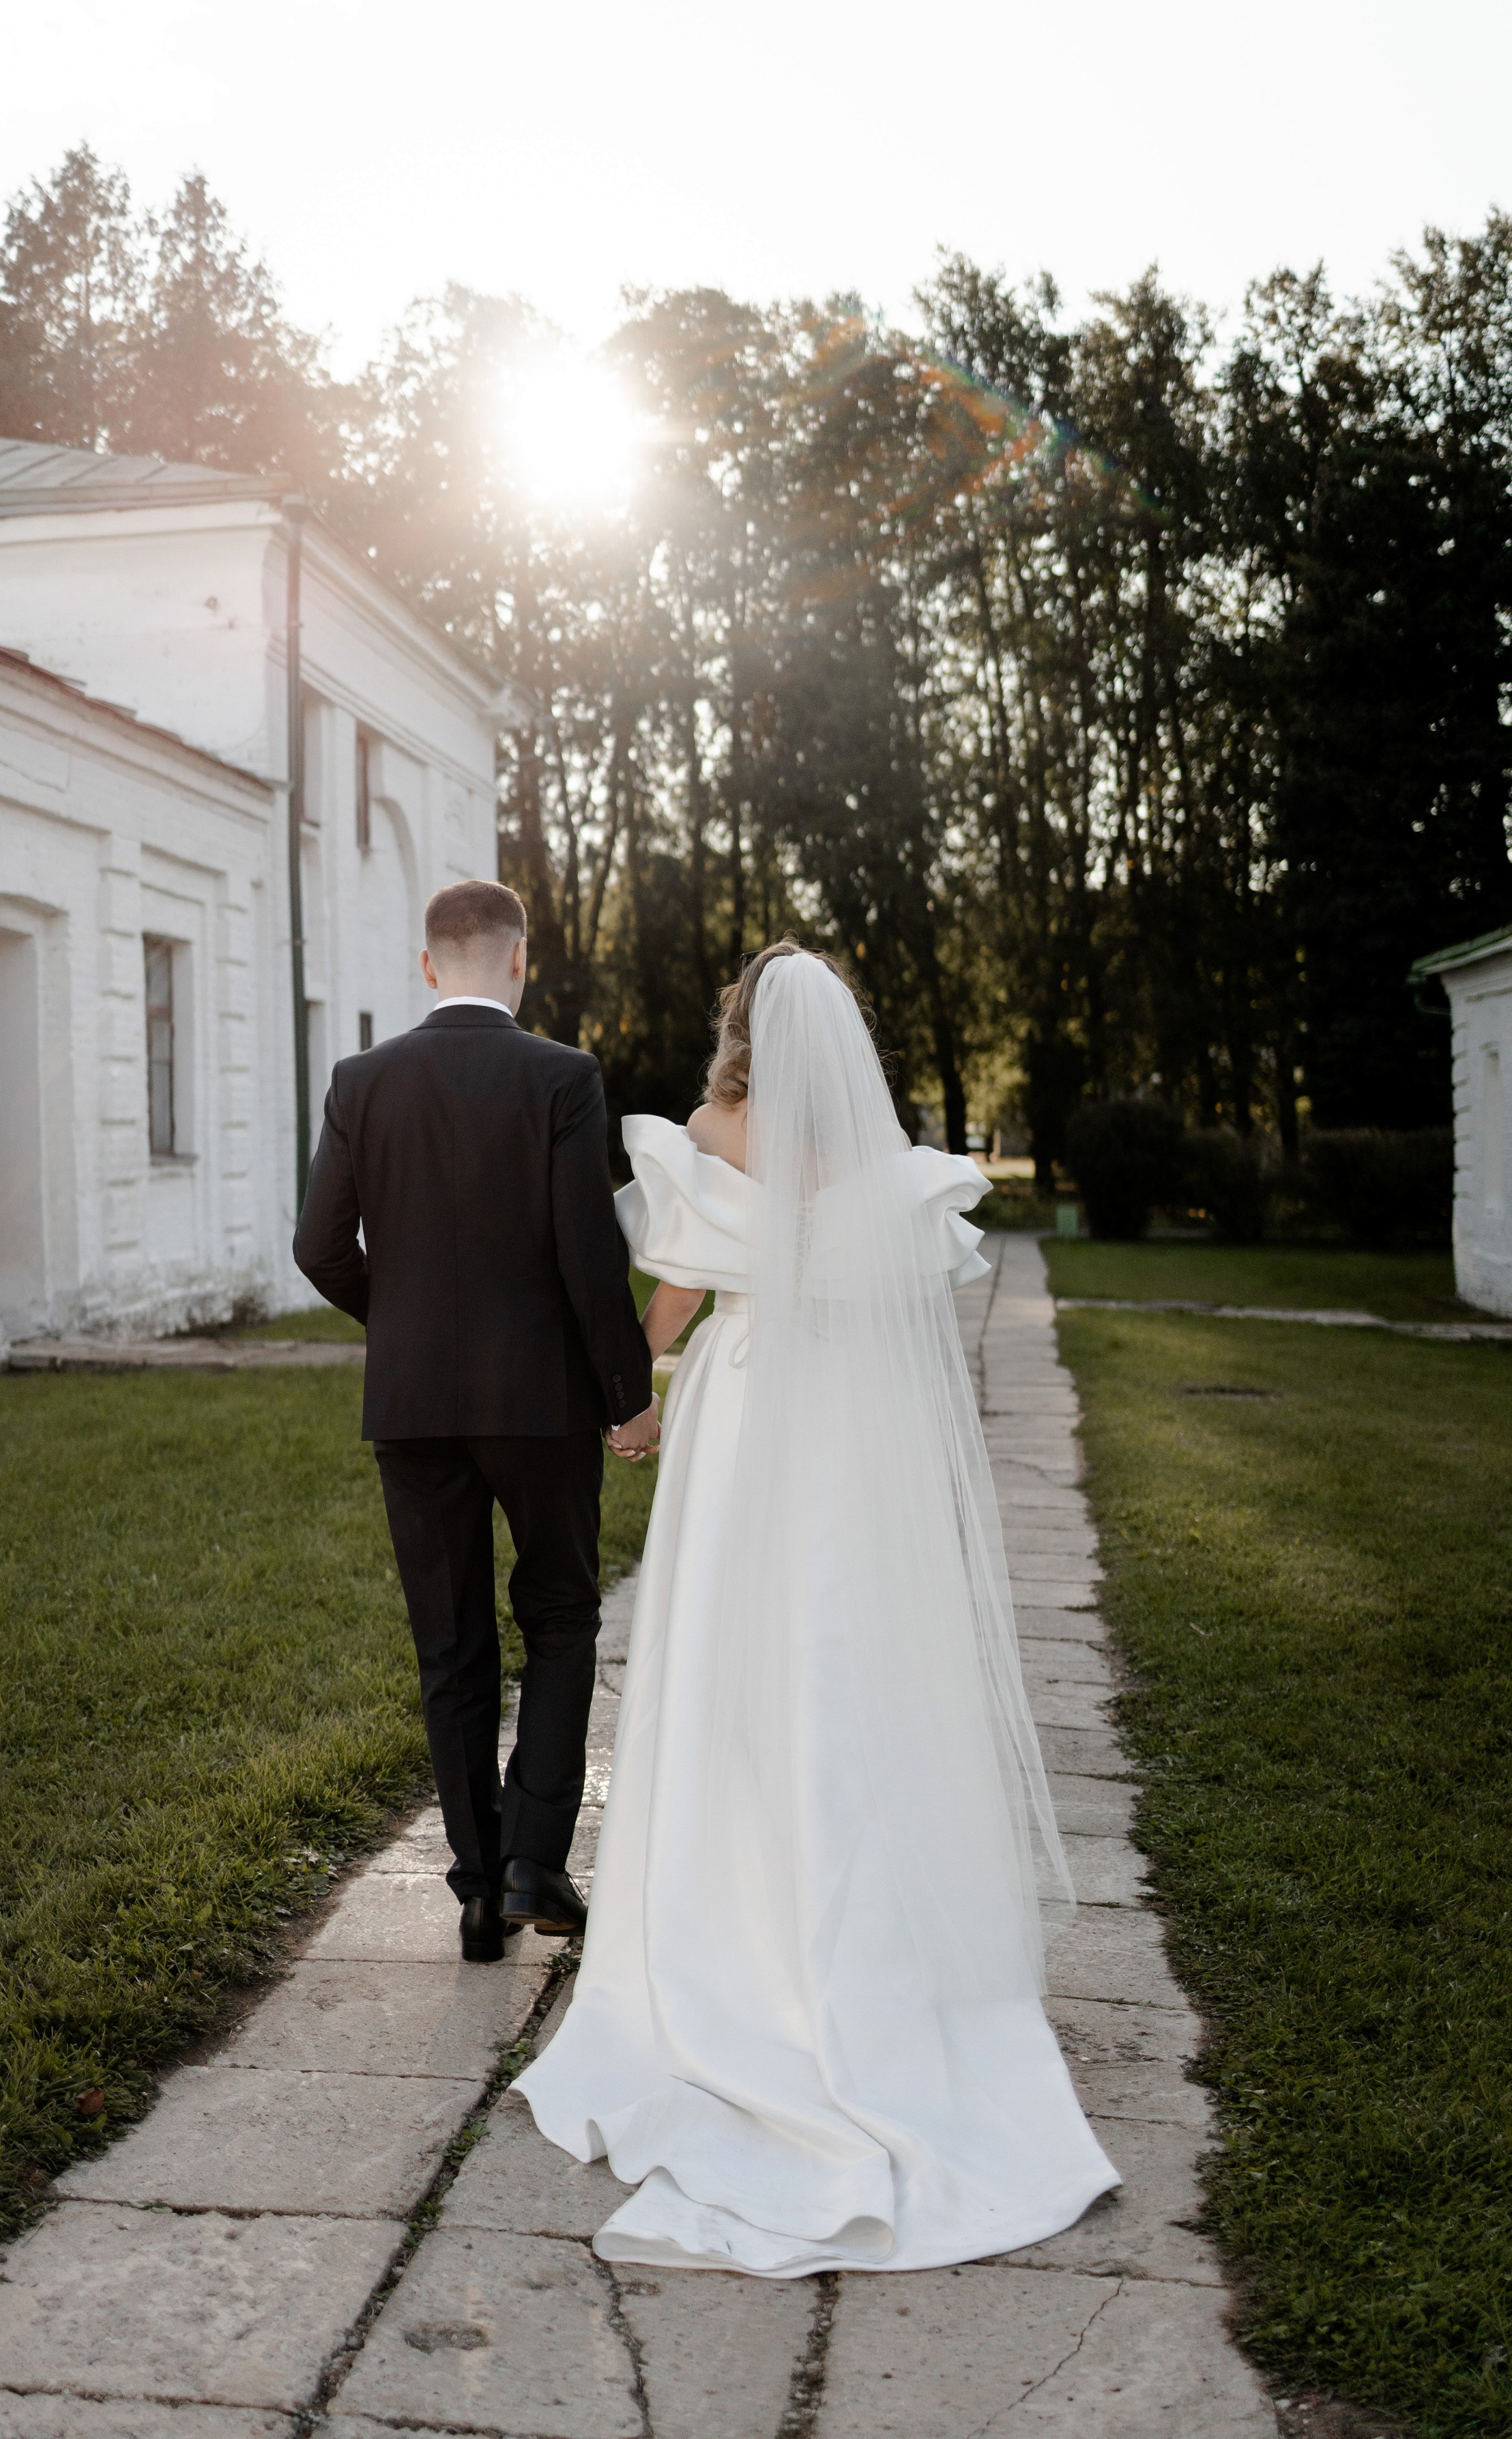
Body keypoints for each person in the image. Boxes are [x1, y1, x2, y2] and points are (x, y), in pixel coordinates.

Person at [514, 940, 1120, 2272]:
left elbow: (676, 1283)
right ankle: (862, 1938)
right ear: (839, 1034)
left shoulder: (711, 1128)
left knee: (728, 1642)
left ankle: (724, 1924)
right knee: (845, 1647)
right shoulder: (868, 1147)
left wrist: (638, 1388)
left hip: (742, 1401)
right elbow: (902, 1284)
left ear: (736, 1023)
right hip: (844, 1410)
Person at [293, 878, 660, 1964]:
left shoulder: (362, 1079)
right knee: (559, 1614)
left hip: (412, 1409)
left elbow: (319, 1250)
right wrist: (627, 1393)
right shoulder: (561, 1076)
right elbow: (588, 1254)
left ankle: (474, 1888)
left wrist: (399, 1325)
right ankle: (533, 1861)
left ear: (425, 966)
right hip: (540, 1402)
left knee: (450, 1644)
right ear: (519, 961)